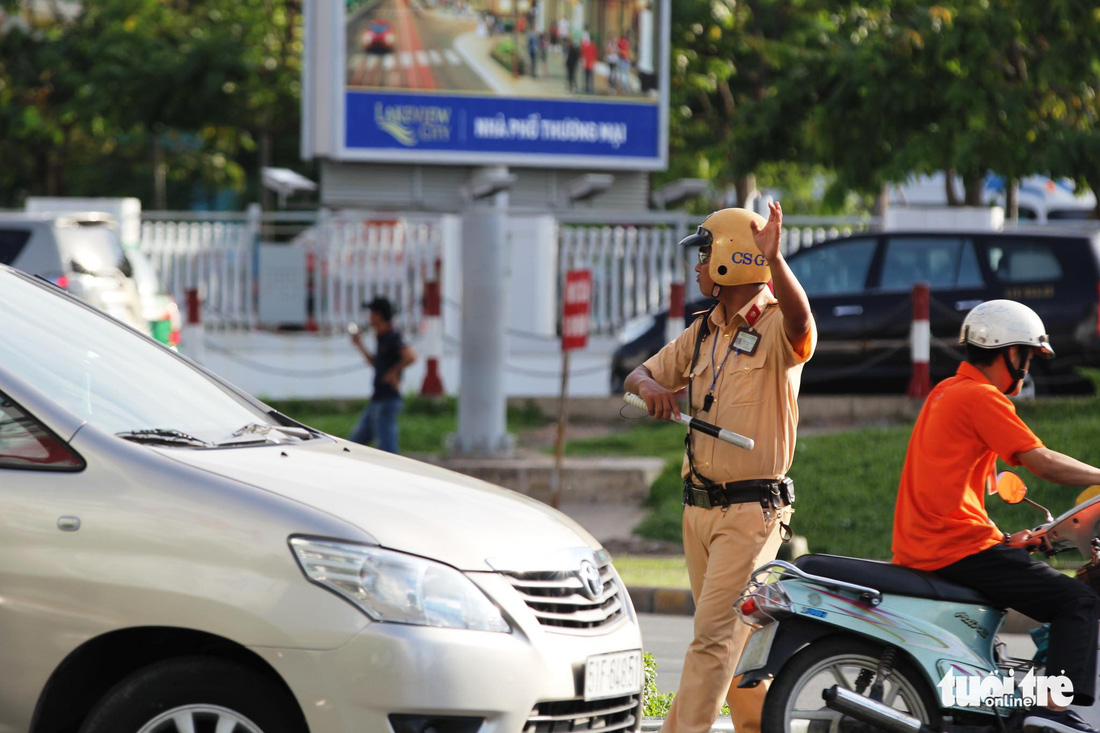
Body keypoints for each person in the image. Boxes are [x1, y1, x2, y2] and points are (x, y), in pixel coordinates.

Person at [625, 203, 816, 733]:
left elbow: (803, 323)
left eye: (705, 252)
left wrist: (778, 261)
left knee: (712, 639)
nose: (697, 264)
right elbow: (638, 374)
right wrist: (653, 390)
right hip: (700, 512)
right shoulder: (705, 330)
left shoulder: (779, 323)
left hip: (751, 513)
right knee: (738, 648)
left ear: (734, 256)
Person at [893, 299, 1100, 733]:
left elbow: (955, 499)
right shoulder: (980, 397)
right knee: (1077, 601)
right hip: (953, 549)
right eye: (1027, 356)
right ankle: (1053, 713)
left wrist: (1007, 541)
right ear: (1009, 353)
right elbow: (1041, 461)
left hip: (937, 543)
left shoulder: (946, 391)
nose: (1027, 369)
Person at [349, 296, 417, 454]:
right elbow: (376, 365)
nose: (369, 317)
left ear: (379, 315)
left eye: (371, 313)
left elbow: (411, 356)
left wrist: (393, 372)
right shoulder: (381, 337)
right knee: (355, 445)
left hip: (387, 400)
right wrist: (360, 346)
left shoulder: (392, 337)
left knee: (387, 451)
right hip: (378, 399)